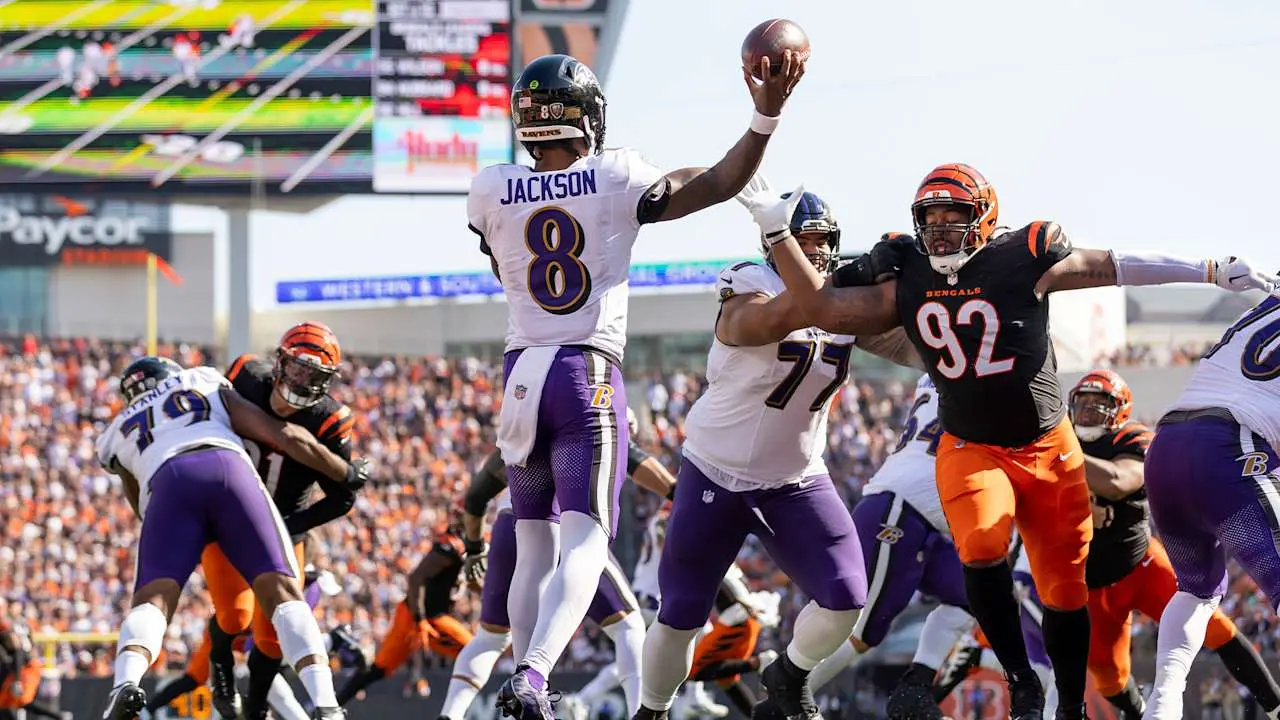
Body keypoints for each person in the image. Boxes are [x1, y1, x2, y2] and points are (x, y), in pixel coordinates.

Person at [746, 164, 1279, 719]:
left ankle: (1067, 705)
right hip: (971, 445)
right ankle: (1021, 683)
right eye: (931, 217)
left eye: (954, 215)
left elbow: (1111, 266)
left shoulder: (1022, 255)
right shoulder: (907, 266)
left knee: (1064, 592)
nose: (941, 229)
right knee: (980, 550)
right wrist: (782, 243)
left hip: (1046, 447)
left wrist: (1208, 269)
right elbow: (825, 308)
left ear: (983, 217)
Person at [467, 48, 806, 720]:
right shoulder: (614, 174)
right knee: (587, 536)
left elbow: (505, 259)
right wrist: (764, 118)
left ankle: (523, 685)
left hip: (520, 374)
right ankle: (532, 677)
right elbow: (717, 182)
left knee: (533, 540)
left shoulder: (489, 188)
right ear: (586, 117)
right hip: (583, 371)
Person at [635, 189, 921, 720]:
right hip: (715, 473)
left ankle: (788, 675)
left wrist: (925, 293)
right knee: (681, 614)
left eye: (823, 241)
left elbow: (919, 348)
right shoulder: (749, 281)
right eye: (801, 240)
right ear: (773, 244)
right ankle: (651, 710)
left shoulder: (838, 299)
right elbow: (763, 323)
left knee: (846, 599)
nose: (815, 252)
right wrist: (835, 291)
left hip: (794, 481)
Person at [94, 357, 368, 719]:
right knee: (282, 591)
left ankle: (125, 683)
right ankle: (326, 703)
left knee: (153, 599)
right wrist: (346, 472)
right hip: (225, 468)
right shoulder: (199, 379)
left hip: (166, 485)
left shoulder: (115, 432)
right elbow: (282, 434)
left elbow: (142, 506)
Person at [1059, 369, 1280, 719]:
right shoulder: (1061, 443)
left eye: (1098, 403)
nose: (1087, 410)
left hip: (1142, 565)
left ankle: (1274, 703)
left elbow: (1118, 481)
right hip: (1093, 584)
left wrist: (1063, 452)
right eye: (1082, 402)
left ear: (1120, 409)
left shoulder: (1127, 438)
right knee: (1108, 677)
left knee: (1215, 626)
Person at [440, 419, 676, 720]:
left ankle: (450, 714)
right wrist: (681, 494)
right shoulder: (592, 413)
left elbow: (475, 497)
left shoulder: (527, 418)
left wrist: (475, 548)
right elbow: (636, 461)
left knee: (491, 637)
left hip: (508, 523)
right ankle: (638, 712)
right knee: (628, 625)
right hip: (562, 526)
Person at [1126, 295, 1280, 718]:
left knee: (1196, 591)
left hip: (1166, 449)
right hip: (1226, 447)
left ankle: (1163, 704)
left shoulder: (1261, 308)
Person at [205, 322, 364, 720]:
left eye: (313, 375)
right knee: (234, 617)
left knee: (272, 638)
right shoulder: (245, 376)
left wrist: (289, 525)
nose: (301, 381)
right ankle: (220, 662)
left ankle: (256, 709)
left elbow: (343, 497)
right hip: (229, 517)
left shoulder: (329, 419)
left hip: (284, 526)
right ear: (279, 361)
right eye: (296, 368)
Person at [335, 524, 474, 705]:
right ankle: (333, 706)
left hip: (423, 615)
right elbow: (416, 578)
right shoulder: (452, 546)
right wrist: (420, 619)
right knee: (473, 652)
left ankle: (335, 703)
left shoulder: (468, 549)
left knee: (474, 654)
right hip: (422, 618)